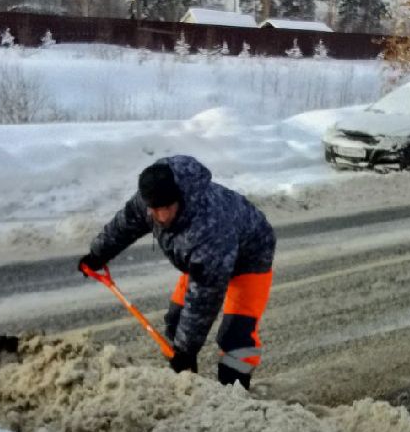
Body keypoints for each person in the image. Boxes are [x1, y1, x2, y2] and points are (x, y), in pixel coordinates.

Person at [79, 155, 275, 389]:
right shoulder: (150, 200)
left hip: (249, 257)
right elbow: (124, 225)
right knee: (176, 321)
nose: (161, 217)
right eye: (155, 210)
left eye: (167, 208)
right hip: (202, 260)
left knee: (236, 335)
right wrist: (98, 254)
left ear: (180, 199)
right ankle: (187, 382)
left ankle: (235, 391)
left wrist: (186, 349)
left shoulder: (207, 227)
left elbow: (204, 297)